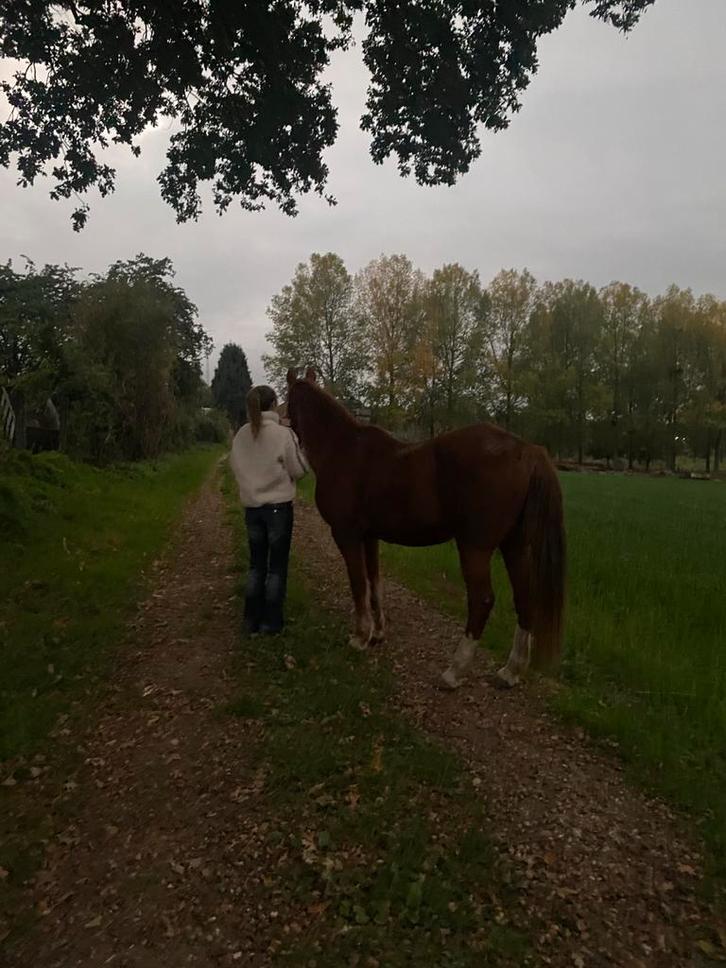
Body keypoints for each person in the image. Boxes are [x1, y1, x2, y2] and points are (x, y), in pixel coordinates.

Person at [230, 385, 308, 634]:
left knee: (256, 565)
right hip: (278, 510)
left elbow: (235, 466)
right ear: (274, 404)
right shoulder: (283, 434)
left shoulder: (241, 434)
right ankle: (271, 622)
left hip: (252, 509)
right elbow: (299, 470)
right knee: (276, 568)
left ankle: (250, 620)